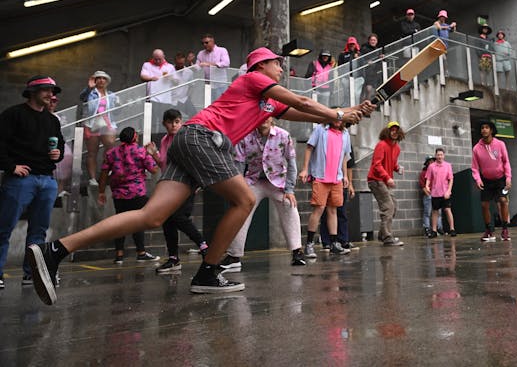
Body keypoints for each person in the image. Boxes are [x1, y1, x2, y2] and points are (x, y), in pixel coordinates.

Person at [26, 47, 372, 305]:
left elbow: (310, 114)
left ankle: (56, 250)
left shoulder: (268, 103)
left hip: (187, 143)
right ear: (261, 65)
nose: (282, 68)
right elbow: (306, 102)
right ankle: (209, 272)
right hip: (202, 139)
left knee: (152, 215)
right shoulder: (253, 79)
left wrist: (350, 114)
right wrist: (338, 111)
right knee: (246, 198)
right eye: (277, 63)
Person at [0, 76, 64, 289]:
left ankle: (31, 275)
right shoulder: (13, 115)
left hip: (47, 180)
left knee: (39, 231)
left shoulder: (52, 120)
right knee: (4, 228)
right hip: (20, 180)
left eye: (52, 91)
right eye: (45, 90)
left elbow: (60, 148)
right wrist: (11, 167)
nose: (50, 95)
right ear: (32, 92)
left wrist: (58, 154)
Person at [222, 117, 306, 269]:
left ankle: (297, 252)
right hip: (254, 181)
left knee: (289, 205)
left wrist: (289, 189)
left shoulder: (283, 135)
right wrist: (238, 192)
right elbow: (239, 166)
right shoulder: (245, 136)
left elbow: (292, 163)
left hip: (277, 181)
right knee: (240, 209)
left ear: (272, 117)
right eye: (259, 115)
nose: (263, 119)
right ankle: (234, 257)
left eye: (266, 115)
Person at [145, 109, 207, 274]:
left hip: (186, 184)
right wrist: (154, 155)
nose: (174, 125)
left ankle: (203, 246)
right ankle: (173, 259)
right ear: (164, 123)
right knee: (167, 220)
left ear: (181, 122)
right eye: (170, 122)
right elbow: (165, 166)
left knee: (179, 217)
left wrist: (199, 182)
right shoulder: (166, 140)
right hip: (170, 185)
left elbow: (198, 159)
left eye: (177, 122)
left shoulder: (186, 137)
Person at [97, 127, 160, 264]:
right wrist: (151, 154)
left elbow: (103, 174)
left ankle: (119, 254)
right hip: (137, 193)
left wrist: (101, 192)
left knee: (120, 222)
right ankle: (141, 252)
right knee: (137, 222)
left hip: (119, 195)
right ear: (135, 137)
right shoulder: (141, 151)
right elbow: (154, 170)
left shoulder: (111, 153)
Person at [299, 117, 352, 257]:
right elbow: (309, 148)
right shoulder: (320, 130)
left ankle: (334, 243)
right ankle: (309, 244)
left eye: (341, 119)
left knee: (333, 210)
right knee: (319, 209)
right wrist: (305, 169)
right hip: (321, 177)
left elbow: (345, 157)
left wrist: (345, 176)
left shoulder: (345, 134)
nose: (338, 121)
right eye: (335, 118)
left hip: (337, 178)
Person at [471, 121, 512, 242]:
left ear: (491, 130)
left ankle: (505, 229)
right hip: (486, 180)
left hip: (500, 179)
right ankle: (488, 230)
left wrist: (508, 177)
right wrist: (477, 179)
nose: (484, 130)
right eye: (482, 128)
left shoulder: (500, 144)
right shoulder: (476, 148)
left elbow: (506, 162)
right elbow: (474, 167)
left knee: (503, 200)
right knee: (484, 205)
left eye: (487, 128)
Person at [367, 121, 405, 246]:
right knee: (388, 207)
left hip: (385, 181)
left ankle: (383, 234)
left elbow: (392, 163)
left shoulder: (397, 148)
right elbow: (377, 164)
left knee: (393, 207)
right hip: (376, 180)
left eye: (396, 130)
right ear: (387, 131)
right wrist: (387, 177)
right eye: (392, 130)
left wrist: (398, 168)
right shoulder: (381, 145)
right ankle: (387, 237)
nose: (394, 132)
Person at [79, 70, 118, 186]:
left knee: (110, 146)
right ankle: (92, 178)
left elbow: (116, 111)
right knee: (92, 152)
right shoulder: (90, 93)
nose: (101, 80)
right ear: (95, 81)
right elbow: (82, 97)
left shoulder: (111, 95)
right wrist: (89, 88)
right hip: (91, 124)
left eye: (103, 78)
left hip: (107, 122)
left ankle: (105, 172)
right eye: (99, 78)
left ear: (107, 81)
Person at [319, 150, 357, 251]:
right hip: (326, 179)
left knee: (342, 211)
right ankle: (327, 242)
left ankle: (343, 240)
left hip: (341, 181)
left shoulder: (346, 141)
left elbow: (349, 165)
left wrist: (350, 184)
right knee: (325, 212)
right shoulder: (326, 137)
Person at [140, 49, 176, 134]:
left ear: (164, 57)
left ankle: (162, 141)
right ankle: (151, 140)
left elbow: (177, 82)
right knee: (151, 121)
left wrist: (171, 78)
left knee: (163, 122)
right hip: (152, 98)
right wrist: (151, 78)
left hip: (166, 99)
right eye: (156, 59)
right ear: (153, 57)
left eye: (160, 59)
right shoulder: (147, 65)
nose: (158, 61)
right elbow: (142, 76)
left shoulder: (170, 67)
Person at [424, 148, 456, 238]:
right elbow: (428, 178)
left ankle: (452, 229)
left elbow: (451, 179)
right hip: (435, 192)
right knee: (435, 211)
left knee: (447, 210)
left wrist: (449, 191)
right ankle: (434, 231)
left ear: (444, 156)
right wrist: (427, 186)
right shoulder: (431, 166)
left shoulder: (448, 165)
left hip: (445, 192)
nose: (439, 156)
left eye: (441, 155)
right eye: (438, 155)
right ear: (435, 155)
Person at [196, 34, 230, 100]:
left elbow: (226, 63)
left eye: (206, 42)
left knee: (220, 105)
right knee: (208, 105)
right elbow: (197, 67)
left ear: (212, 41)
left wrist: (209, 64)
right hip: (207, 84)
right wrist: (191, 65)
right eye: (202, 43)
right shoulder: (201, 53)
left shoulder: (222, 50)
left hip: (220, 84)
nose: (204, 45)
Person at [419, 155, 444, 236]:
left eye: (432, 161)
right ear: (427, 163)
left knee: (438, 213)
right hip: (429, 195)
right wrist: (428, 195)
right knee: (427, 213)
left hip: (437, 195)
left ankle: (439, 228)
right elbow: (422, 185)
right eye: (429, 161)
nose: (431, 163)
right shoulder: (424, 173)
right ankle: (427, 229)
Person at [337, 36, 363, 106]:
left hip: (357, 78)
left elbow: (363, 65)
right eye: (350, 44)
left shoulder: (359, 54)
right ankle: (347, 108)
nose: (352, 45)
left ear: (355, 44)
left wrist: (358, 58)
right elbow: (339, 66)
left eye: (353, 44)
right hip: (346, 78)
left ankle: (356, 107)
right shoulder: (342, 54)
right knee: (346, 94)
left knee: (355, 94)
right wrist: (341, 77)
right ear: (348, 45)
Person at [360, 33, 383, 101]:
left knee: (369, 90)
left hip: (373, 74)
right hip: (364, 73)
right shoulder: (364, 49)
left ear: (377, 41)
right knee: (363, 92)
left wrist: (381, 58)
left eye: (374, 40)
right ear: (369, 41)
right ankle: (362, 105)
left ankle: (366, 105)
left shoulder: (378, 50)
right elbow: (360, 60)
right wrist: (366, 62)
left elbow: (379, 63)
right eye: (371, 40)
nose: (373, 41)